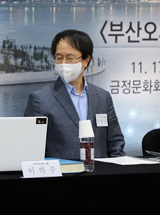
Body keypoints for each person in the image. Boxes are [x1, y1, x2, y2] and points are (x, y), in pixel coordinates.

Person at [24, 29, 125, 160]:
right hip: (61, 171)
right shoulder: (40, 99)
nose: (63, 63)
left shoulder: (103, 97)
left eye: (70, 58)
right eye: (59, 58)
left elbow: (115, 143)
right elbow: (31, 147)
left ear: (86, 60)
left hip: (100, 170)